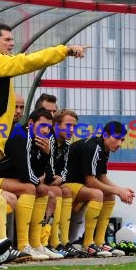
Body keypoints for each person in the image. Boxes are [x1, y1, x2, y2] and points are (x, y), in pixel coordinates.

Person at [0, 22, 90, 239]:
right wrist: (65, 50)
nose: (12, 43)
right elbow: (26, 62)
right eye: (7, 39)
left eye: (12, 39)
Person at [0, 108, 63, 260]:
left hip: (16, 181)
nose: (46, 130)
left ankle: (37, 244)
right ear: (30, 123)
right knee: (31, 188)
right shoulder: (20, 136)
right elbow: (26, 174)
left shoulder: (42, 141)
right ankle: (23, 245)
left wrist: (47, 154)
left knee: (44, 191)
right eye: (42, 126)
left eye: (49, 127)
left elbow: (46, 174)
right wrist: (38, 180)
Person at [65, 121, 135, 257]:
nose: (119, 144)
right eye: (116, 138)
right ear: (105, 135)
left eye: (122, 140)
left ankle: (99, 242)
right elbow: (91, 181)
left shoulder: (104, 149)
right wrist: (119, 191)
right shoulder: (94, 147)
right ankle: (87, 244)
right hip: (64, 185)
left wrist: (120, 190)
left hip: (79, 186)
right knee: (97, 194)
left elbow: (102, 177)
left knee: (109, 195)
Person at [50, 109, 88, 258]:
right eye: (67, 125)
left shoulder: (66, 144)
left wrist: (60, 178)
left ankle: (65, 241)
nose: (71, 129)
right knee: (61, 191)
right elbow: (44, 166)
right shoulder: (48, 139)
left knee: (65, 190)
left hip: (55, 183)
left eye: (74, 126)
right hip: (36, 182)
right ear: (56, 124)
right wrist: (53, 179)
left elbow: (66, 170)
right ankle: (53, 241)